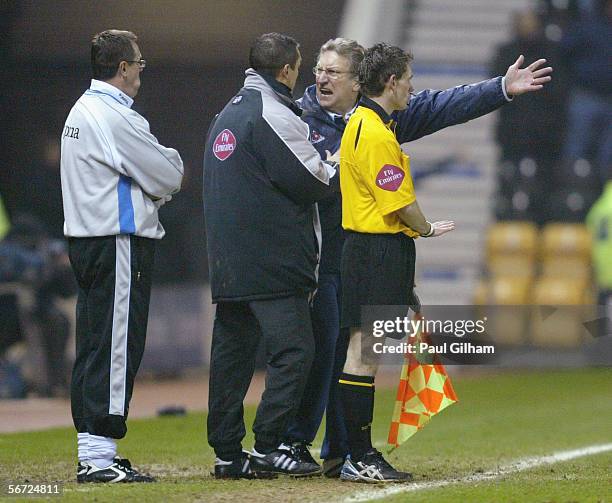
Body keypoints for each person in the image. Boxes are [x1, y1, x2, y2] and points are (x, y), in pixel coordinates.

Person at [287, 37, 554, 478]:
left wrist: (499, 88)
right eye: (408, 80)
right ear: (389, 82)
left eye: (333, 71)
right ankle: (338, 452)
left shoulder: (364, 123)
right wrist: (426, 227)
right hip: (356, 251)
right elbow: (396, 202)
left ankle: (344, 451)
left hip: (356, 250)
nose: (322, 78)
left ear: (358, 82)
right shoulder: (366, 129)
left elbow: (442, 105)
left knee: (355, 352)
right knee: (351, 354)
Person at [203, 32, 338, 479]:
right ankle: (266, 446)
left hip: (229, 261)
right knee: (296, 351)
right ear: (285, 70)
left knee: (232, 356)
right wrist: (341, 161)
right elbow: (314, 182)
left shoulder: (226, 114)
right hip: (272, 263)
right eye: (300, 67)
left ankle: (227, 453)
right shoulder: (272, 114)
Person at [60, 29, 184, 483]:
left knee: (95, 345)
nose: (141, 72)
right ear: (124, 67)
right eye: (139, 64)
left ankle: (94, 451)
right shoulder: (115, 116)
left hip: (89, 241)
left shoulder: (81, 109)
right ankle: (98, 459)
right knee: (116, 347)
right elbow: (169, 173)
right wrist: (163, 169)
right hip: (117, 242)